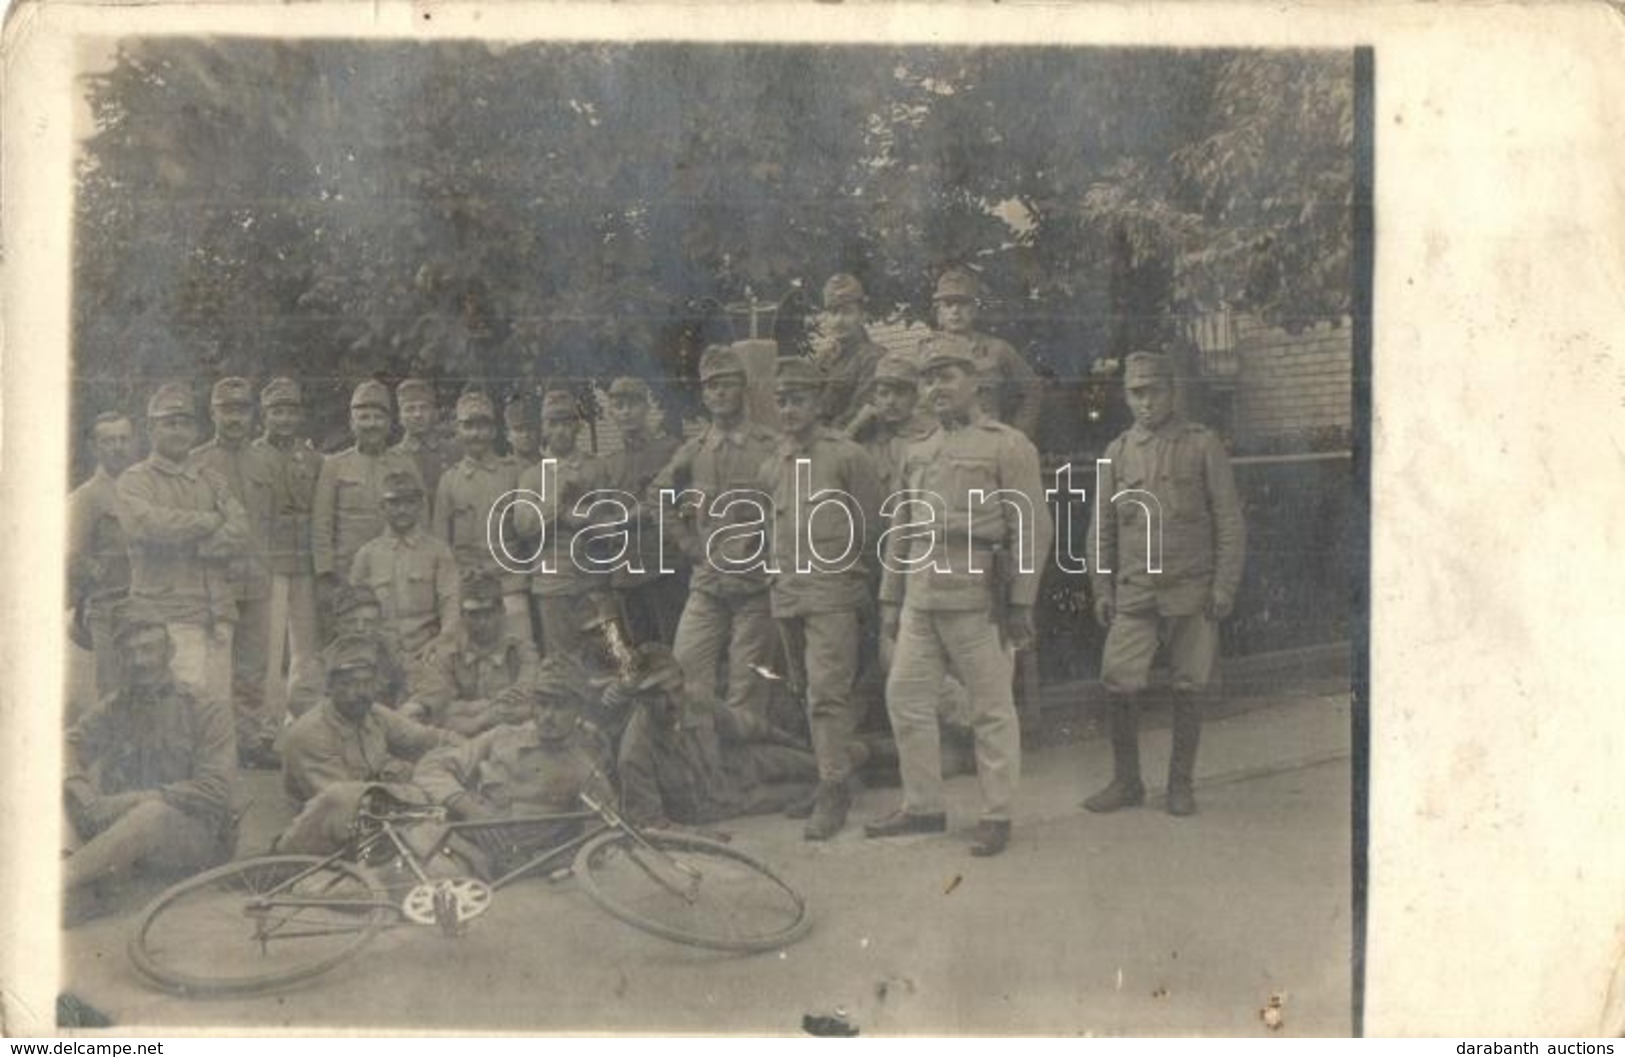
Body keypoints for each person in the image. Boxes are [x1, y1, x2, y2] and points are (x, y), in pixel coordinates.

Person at [865, 334, 1052, 857]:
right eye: (928, 379)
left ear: (976, 381)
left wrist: (1020, 602)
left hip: (977, 597)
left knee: (991, 709)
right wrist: (889, 598)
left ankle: (997, 813)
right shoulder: (917, 449)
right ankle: (923, 806)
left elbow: (1031, 526)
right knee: (905, 698)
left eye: (946, 376)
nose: (935, 387)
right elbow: (901, 527)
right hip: (922, 597)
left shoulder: (1007, 445)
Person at [1085, 351, 1246, 817]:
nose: (1146, 402)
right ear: (1126, 396)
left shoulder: (1201, 445)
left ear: (1171, 391)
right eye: (1136, 393)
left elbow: (1229, 521)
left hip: (1192, 589)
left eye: (1154, 390)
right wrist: (1101, 586)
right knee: (1119, 681)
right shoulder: (1116, 453)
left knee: (1190, 684)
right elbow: (1101, 528)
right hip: (1135, 590)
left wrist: (1224, 587)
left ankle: (1180, 784)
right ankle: (1126, 781)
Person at [759, 358, 884, 840]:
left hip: (834, 591)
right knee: (802, 690)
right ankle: (829, 775)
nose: (790, 410)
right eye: (783, 401)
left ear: (818, 402)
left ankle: (834, 790)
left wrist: (862, 589)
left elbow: (872, 529)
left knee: (828, 694)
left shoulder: (846, 456)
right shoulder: (772, 464)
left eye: (799, 400)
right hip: (787, 593)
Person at [63, 600, 236, 912]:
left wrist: (133, 800)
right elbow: (65, 747)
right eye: (129, 653)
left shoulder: (205, 708)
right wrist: (81, 789)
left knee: (152, 812)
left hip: (195, 839)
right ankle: (79, 875)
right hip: (122, 829)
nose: (139, 661)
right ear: (119, 659)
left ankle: (62, 878)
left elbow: (215, 791)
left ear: (169, 652)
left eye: (148, 649)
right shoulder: (116, 706)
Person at [653, 346, 780, 732]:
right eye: (711, 387)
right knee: (686, 675)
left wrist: (772, 549)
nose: (719, 394)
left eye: (727, 385)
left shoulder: (770, 447)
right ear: (704, 395)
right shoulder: (693, 452)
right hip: (708, 586)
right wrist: (689, 544)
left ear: (743, 388)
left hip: (756, 589)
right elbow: (658, 496)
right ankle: (702, 764)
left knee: (748, 690)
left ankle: (746, 776)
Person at [413, 660, 618, 875]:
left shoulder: (585, 771)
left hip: (526, 873)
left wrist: (540, 864)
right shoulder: (502, 737)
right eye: (542, 704)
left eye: (559, 707)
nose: (547, 716)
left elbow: (596, 846)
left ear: (579, 709)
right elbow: (430, 769)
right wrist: (471, 809)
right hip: (465, 849)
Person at [117, 382, 250, 713]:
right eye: (169, 423)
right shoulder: (136, 480)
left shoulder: (211, 478)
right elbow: (148, 525)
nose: (179, 431)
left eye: (185, 423)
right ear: (151, 428)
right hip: (167, 614)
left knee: (216, 710)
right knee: (174, 710)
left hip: (216, 612)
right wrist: (207, 522)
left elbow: (241, 528)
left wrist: (198, 545)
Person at [275, 633, 458, 854]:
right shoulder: (309, 732)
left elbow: (427, 738)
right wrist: (413, 787)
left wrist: (468, 753)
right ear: (330, 687)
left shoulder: (372, 714)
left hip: (372, 828)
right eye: (349, 683)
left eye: (367, 682)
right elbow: (345, 802)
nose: (360, 692)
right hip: (319, 844)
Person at [610, 644, 820, 831]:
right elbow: (651, 824)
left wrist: (798, 745)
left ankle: (843, 765)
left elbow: (748, 727)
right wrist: (699, 835)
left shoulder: (695, 699)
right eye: (659, 695)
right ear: (642, 700)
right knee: (805, 793)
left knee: (817, 765)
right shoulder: (634, 753)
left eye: (676, 689)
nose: (673, 702)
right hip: (719, 802)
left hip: (734, 766)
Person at [189, 377, 282, 767]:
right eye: (226, 409)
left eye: (242, 409)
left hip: (257, 578)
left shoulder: (268, 460)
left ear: (252, 414)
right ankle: (208, 747)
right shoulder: (196, 462)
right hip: (214, 580)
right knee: (210, 670)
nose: (234, 418)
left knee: (252, 668)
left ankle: (247, 741)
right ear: (212, 413)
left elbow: (276, 518)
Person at [515, 389, 613, 658]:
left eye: (567, 423)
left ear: (577, 426)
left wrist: (583, 520)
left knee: (607, 659)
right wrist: (557, 503)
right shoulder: (532, 476)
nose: (560, 431)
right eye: (553, 424)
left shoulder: (596, 469)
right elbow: (523, 525)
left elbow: (610, 526)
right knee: (560, 665)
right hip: (552, 583)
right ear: (543, 428)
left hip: (593, 581)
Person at [255, 377, 325, 722]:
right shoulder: (254, 455)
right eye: (277, 412)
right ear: (265, 415)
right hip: (269, 560)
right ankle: (266, 718)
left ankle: (303, 714)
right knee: (269, 645)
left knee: (306, 644)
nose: (284, 419)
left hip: (306, 558)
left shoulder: (313, 458)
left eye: (290, 412)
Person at [433, 391, 529, 642]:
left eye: (483, 426)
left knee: (519, 648)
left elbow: (529, 533)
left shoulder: (515, 473)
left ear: (495, 431)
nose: (476, 434)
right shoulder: (449, 480)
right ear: (458, 430)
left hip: (510, 583)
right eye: (469, 426)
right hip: (468, 586)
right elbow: (441, 544)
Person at [311, 379, 422, 595]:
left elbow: (420, 516)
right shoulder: (334, 465)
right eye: (364, 418)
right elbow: (322, 523)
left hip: (397, 569)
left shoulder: (405, 463)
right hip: (348, 574)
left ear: (389, 424)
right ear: (352, 423)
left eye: (378, 417)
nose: (372, 424)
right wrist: (325, 572)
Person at [601, 376, 686, 646]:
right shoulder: (610, 464)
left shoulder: (670, 450)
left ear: (646, 407)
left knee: (674, 651)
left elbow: (666, 500)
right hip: (626, 572)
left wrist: (621, 521)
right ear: (611, 412)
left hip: (664, 568)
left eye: (633, 404)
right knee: (641, 657)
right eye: (619, 405)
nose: (626, 412)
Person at [349, 470, 462, 656]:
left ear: (420, 506)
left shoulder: (438, 552)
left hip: (427, 651)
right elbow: (352, 612)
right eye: (394, 503)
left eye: (409, 503)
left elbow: (451, 605)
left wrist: (443, 640)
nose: (402, 510)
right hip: (379, 655)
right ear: (382, 507)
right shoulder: (367, 554)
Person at [414, 571, 540, 736]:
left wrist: (474, 717)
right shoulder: (446, 654)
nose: (482, 622)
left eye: (488, 613)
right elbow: (439, 710)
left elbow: (525, 706)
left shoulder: (523, 652)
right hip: (456, 740)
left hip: (510, 739)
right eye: (474, 615)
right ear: (461, 615)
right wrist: (493, 707)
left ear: (502, 611)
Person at [67, 412, 136, 703]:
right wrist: (103, 577)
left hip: (146, 602)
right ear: (94, 447)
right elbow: (72, 557)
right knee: (113, 694)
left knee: (146, 691)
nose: (118, 447)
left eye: (123, 439)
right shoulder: (86, 496)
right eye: (109, 441)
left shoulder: (142, 487)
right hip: (107, 607)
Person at [930, 267, 1044, 441]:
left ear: (975, 309)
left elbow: (1033, 388)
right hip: (940, 446)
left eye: (963, 303)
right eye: (948, 304)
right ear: (939, 313)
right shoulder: (925, 353)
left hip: (987, 442)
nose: (955, 311)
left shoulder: (997, 349)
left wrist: (1020, 433)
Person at [812, 273, 885, 428]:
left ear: (862, 316)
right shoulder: (824, 359)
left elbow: (860, 414)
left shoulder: (873, 358)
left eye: (847, 312)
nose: (839, 320)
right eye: (833, 313)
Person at [391, 378, 457, 518]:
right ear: (400, 417)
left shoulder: (453, 452)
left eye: (424, 408)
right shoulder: (391, 457)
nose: (418, 415)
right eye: (410, 409)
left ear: (434, 414)